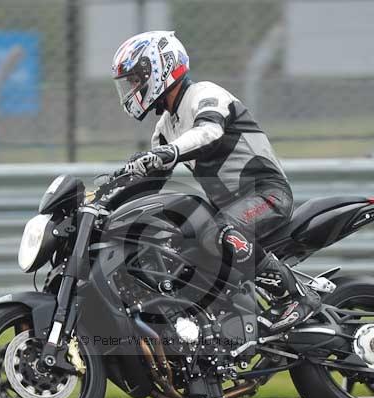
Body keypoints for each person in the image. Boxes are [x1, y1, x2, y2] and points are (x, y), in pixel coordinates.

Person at [111, 30, 320, 332]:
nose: (131, 88)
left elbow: (209, 132)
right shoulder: (166, 125)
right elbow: (148, 182)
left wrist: (169, 152)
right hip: (227, 206)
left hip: (266, 195)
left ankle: (297, 296)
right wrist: (105, 199)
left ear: (159, 69)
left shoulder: (206, 95)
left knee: (219, 234)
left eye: (134, 79)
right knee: (174, 243)